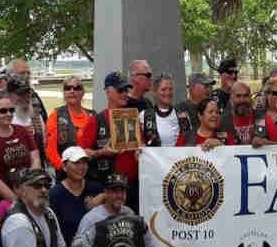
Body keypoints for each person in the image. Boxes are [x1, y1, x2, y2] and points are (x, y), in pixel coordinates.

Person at [0, 91, 41, 247]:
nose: (8, 114)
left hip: (28, 194)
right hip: (0, 201)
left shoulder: (22, 131)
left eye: (11, 110)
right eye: (2, 111)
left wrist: (30, 187)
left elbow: (35, 158)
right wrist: (16, 199)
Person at [79, 72, 144, 213]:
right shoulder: (96, 120)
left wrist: (142, 152)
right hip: (107, 190)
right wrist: (102, 152)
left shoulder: (133, 118)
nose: (125, 94)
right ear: (108, 91)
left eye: (126, 90)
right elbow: (82, 154)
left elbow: (142, 146)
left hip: (131, 189)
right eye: (120, 90)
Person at [49, 146, 104, 247]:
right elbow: (54, 233)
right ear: (64, 166)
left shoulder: (96, 189)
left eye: (84, 163)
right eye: (76, 163)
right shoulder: (54, 195)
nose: (81, 167)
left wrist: (104, 196)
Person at [45, 75, 94, 176]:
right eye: (67, 88)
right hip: (65, 175)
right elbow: (50, 149)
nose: (72, 91)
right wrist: (64, 169)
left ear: (83, 92)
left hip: (90, 172)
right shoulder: (56, 115)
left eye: (77, 88)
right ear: (64, 93)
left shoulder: (92, 115)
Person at [0, 59, 48, 125]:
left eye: (28, 73)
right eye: (22, 73)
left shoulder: (34, 97)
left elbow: (45, 122)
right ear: (8, 77)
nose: (26, 76)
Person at [141, 73, 190, 147]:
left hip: (179, 158)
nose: (168, 93)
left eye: (170, 89)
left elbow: (189, 142)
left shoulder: (182, 116)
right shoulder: (144, 116)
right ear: (155, 92)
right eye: (163, 89)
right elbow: (139, 142)